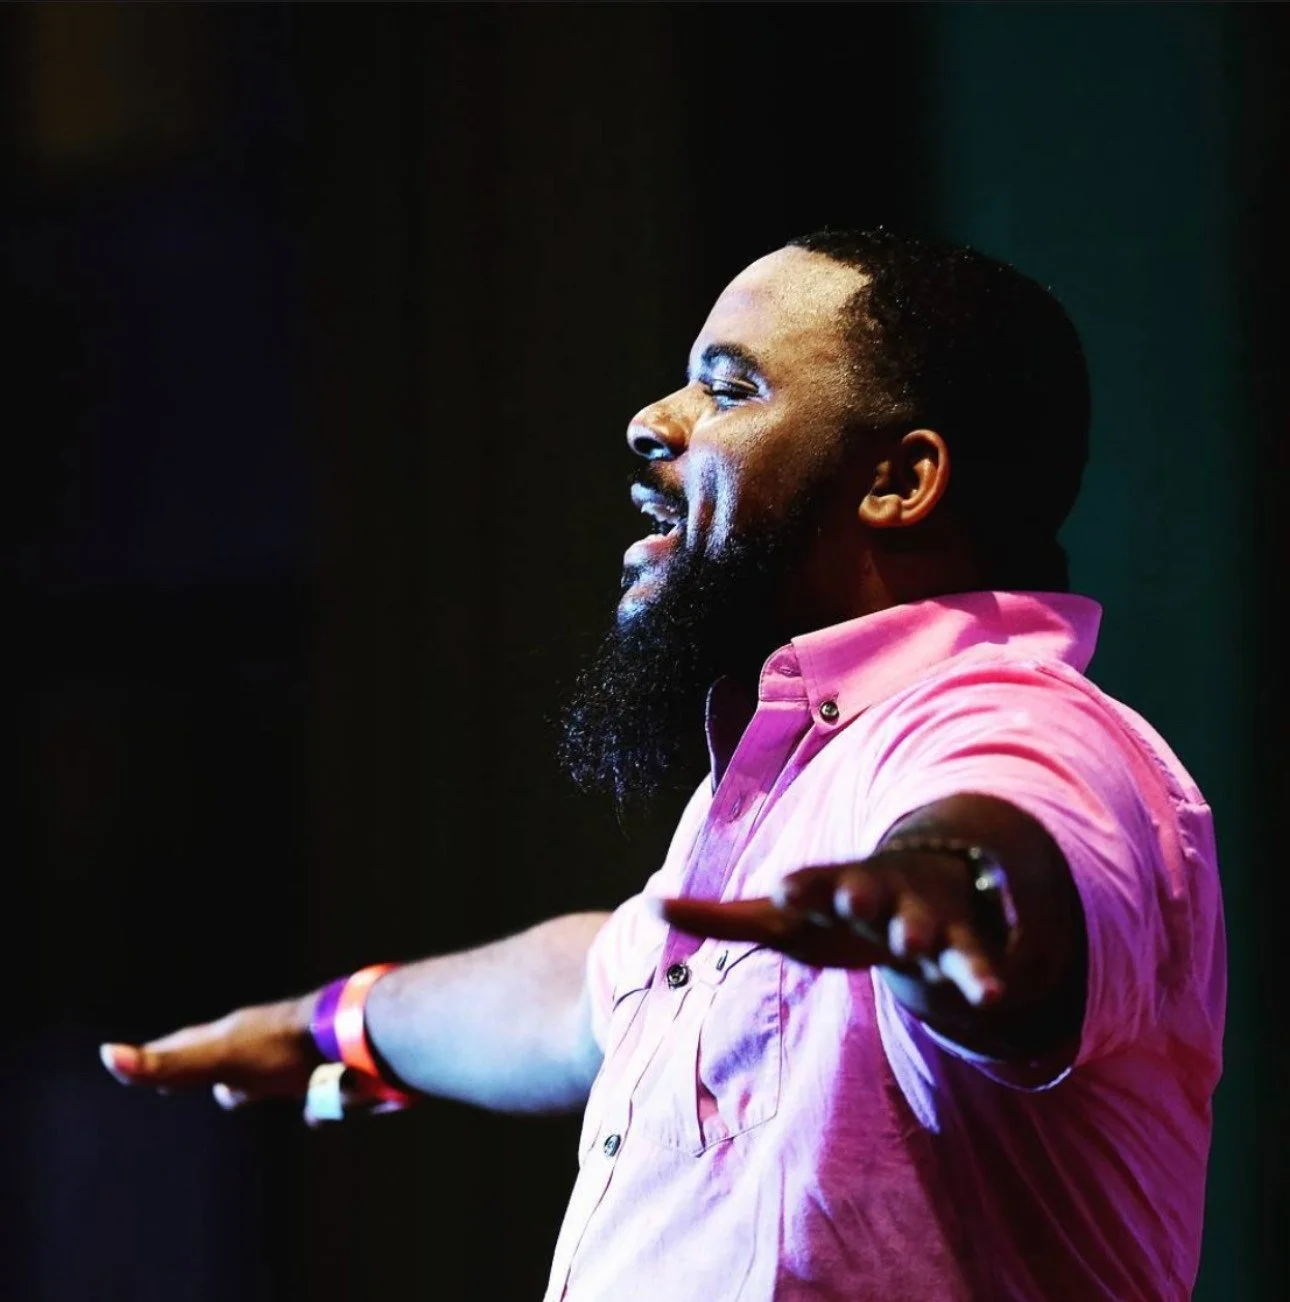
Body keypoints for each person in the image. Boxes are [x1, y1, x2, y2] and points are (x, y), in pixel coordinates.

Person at [99, 229, 1226, 1301]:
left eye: (729, 389)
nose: (651, 421)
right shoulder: (793, 783)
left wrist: (944, 894)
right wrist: (331, 1025)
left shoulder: (1006, 722)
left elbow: (1011, 847)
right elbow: (588, 995)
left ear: (899, 480)